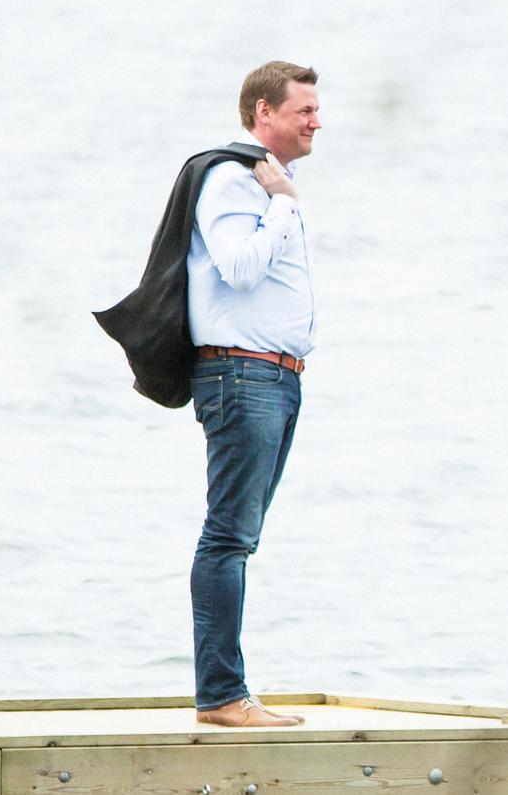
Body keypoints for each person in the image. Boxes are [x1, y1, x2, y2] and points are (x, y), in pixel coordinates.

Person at [187, 60, 321, 729]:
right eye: (304, 109)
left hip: (275, 374)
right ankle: (221, 695)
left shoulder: (269, 183)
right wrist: (283, 205)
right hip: (242, 374)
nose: (316, 120)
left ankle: (227, 691)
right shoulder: (232, 179)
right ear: (264, 112)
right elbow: (238, 268)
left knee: (239, 537)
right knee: (228, 537)